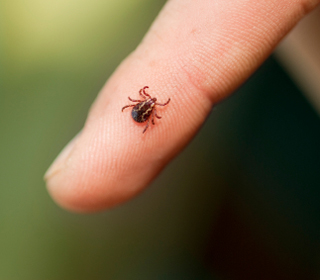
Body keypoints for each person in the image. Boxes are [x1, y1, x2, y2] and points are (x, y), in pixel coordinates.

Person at [44, 0, 320, 212]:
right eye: (148, 102)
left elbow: (140, 109)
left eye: (148, 103)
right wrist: (147, 114)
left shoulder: (145, 108)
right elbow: (144, 111)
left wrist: (145, 112)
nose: (148, 104)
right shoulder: (148, 109)